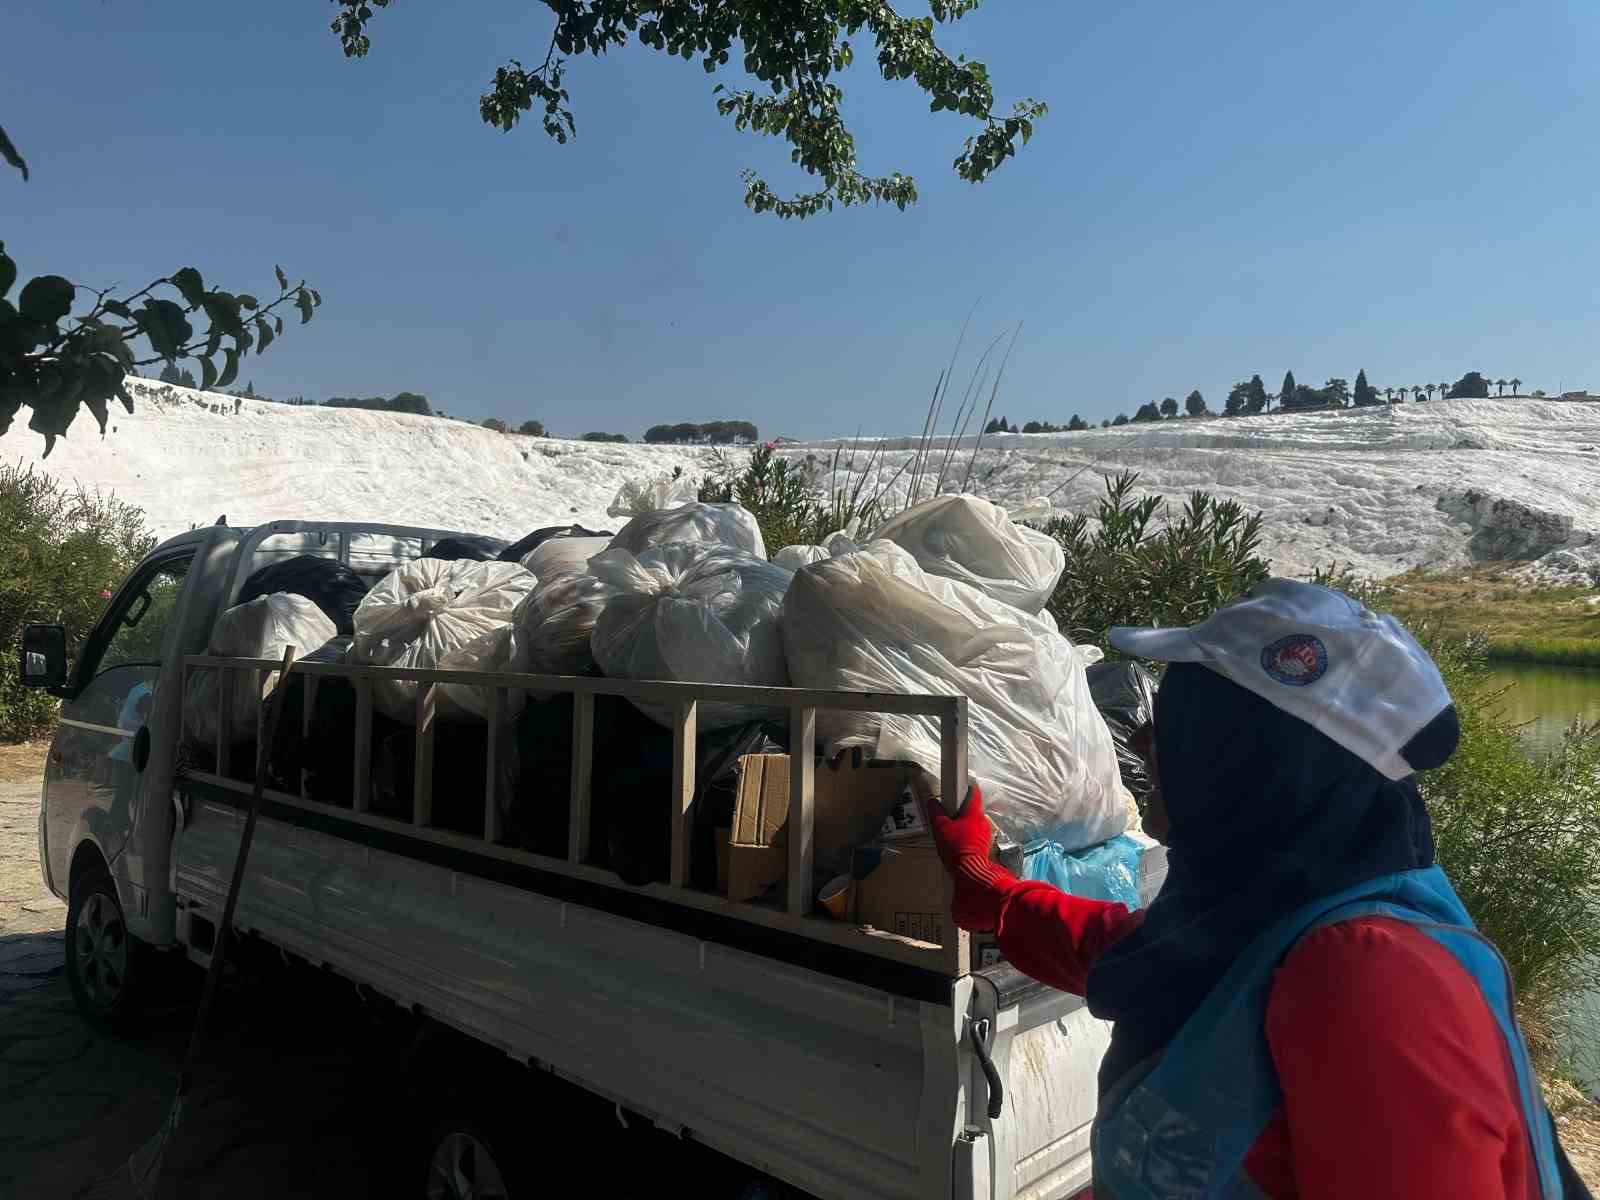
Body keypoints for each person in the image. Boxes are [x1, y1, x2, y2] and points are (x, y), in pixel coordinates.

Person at [927, 579, 1590, 1199]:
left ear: (1244, 762)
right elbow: (1136, 951)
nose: (1146, 740)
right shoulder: (1274, 909)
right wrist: (993, 892)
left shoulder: (1366, 977)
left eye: (1179, 721)